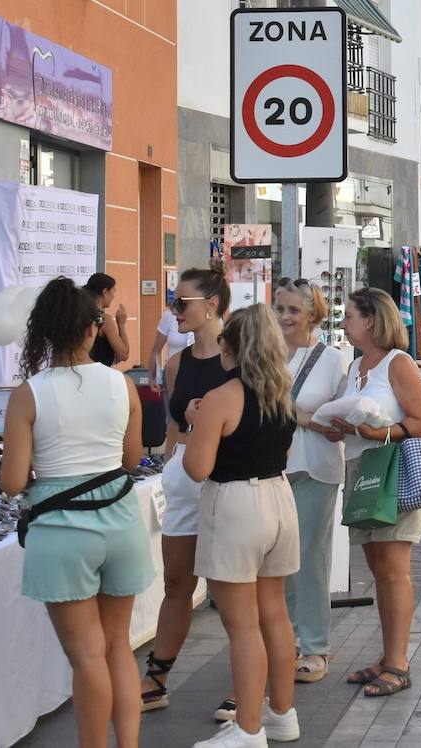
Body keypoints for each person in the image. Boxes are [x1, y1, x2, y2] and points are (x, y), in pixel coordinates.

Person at [2, 278, 149, 748]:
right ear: (93, 329)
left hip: (62, 532)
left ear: (42, 333)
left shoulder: (29, 394)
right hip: (120, 520)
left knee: (87, 657)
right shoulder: (122, 384)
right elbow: (131, 460)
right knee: (118, 649)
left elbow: (12, 481)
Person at [182, 305, 300, 747]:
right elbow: (283, 455)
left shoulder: (223, 396)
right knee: (275, 613)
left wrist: (197, 423)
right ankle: (282, 714)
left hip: (235, 503)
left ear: (230, 347)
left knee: (243, 626)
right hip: (278, 496)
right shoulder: (282, 393)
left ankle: (249, 730)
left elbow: (197, 467)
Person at [331, 288, 421, 698]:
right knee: (379, 571)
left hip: (390, 471)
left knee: (393, 571)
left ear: (372, 319)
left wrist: (380, 432)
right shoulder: (357, 363)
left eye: (350, 316)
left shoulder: (398, 363)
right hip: (361, 471)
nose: (343, 323)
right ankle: (388, 655)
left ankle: (398, 662)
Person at [141, 268, 231, 717]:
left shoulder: (239, 358)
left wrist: (210, 415)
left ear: (211, 304)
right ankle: (156, 681)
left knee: (230, 589)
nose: (174, 311)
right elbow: (176, 428)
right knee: (177, 582)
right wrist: (169, 468)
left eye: (182, 303)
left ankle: (246, 686)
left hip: (225, 482)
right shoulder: (176, 363)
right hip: (183, 484)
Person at [272, 279, 347, 684]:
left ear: (312, 314)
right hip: (269, 470)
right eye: (280, 309)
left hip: (316, 467)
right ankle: (285, 639)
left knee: (309, 558)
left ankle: (315, 646)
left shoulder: (331, 359)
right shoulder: (263, 353)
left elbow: (341, 416)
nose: (284, 317)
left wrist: (307, 420)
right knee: (278, 560)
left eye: (293, 311)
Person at [86, 272, 130, 368]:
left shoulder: (80, 315)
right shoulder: (104, 320)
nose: (114, 295)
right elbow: (124, 354)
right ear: (105, 292)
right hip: (99, 373)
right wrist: (121, 325)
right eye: (113, 291)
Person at [148, 308, 195, 390]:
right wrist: (153, 378)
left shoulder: (209, 315)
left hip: (198, 374)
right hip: (173, 377)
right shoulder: (170, 315)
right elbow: (156, 350)